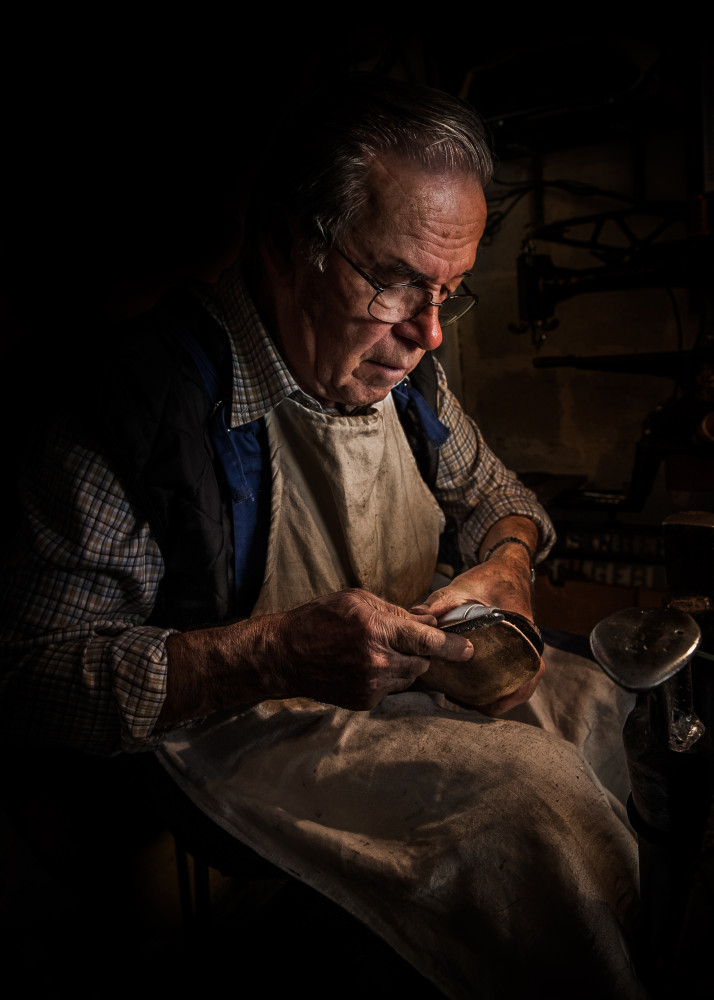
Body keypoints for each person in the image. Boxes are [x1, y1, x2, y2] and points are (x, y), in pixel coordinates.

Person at [0, 73, 647, 998]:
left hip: (386, 695)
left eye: (449, 293)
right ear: (282, 244)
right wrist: (269, 655)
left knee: (596, 708)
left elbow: (499, 493)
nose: (428, 332)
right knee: (527, 806)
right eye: (395, 282)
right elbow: (25, 677)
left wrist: (507, 560)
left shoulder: (408, 375)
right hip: (227, 734)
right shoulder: (138, 409)